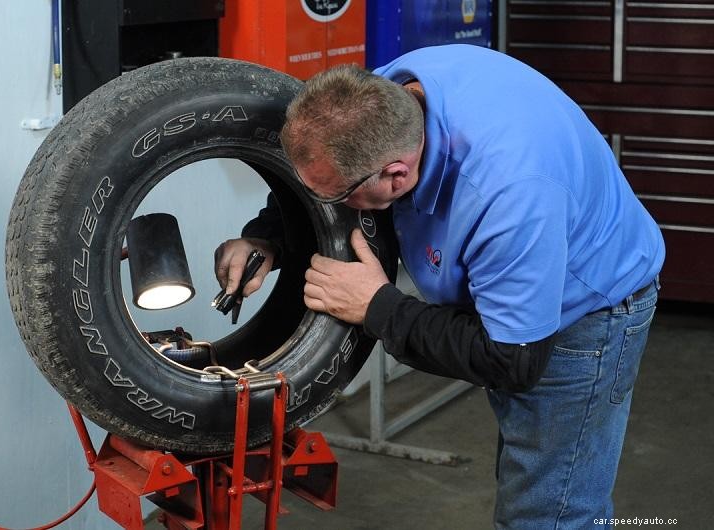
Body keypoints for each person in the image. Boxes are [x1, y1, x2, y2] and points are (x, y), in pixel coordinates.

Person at [214, 45, 664, 529]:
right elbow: (329, 183)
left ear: (396, 175)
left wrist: (377, 307)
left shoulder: (511, 195)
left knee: (549, 510)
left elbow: (511, 359)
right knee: (530, 473)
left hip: (587, 311)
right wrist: (268, 236)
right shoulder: (379, 96)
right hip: (521, 254)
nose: (329, 202)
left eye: (338, 194)